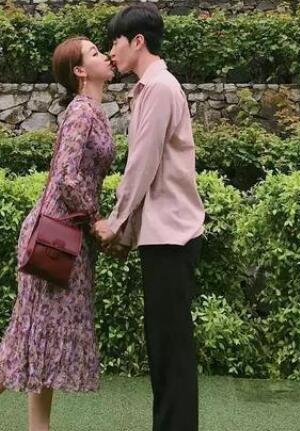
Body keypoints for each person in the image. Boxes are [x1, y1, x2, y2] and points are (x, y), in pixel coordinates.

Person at [0, 36, 116, 431]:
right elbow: (66, 177)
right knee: (29, 332)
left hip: (66, 237)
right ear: (80, 71)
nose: (105, 56)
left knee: (41, 333)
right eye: (95, 53)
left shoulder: (92, 111)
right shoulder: (81, 112)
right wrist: (95, 220)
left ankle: (25, 427)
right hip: (56, 239)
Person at [93, 5, 206, 431]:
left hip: (171, 237)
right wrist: (126, 231)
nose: (111, 51)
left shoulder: (158, 88)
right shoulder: (150, 88)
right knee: (165, 349)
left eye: (116, 42)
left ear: (137, 41)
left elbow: (142, 165)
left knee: (170, 351)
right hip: (164, 236)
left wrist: (115, 222)